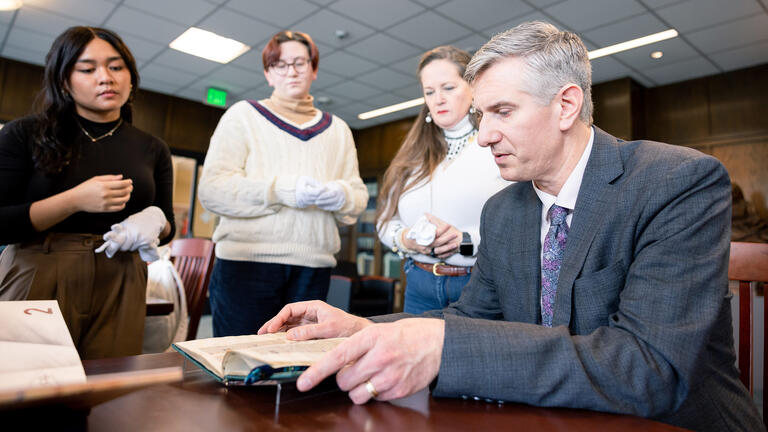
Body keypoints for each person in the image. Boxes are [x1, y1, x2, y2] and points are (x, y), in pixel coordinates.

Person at [258, 21, 764, 431]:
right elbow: (471, 319)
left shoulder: (676, 182)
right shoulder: (504, 210)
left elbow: (648, 369)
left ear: (566, 105)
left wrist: (443, 350)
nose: (484, 137)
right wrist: (364, 328)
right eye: (480, 116)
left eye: (502, 111)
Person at [0, 26, 175, 359]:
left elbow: (167, 226)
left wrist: (155, 221)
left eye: (116, 66)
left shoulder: (152, 148)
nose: (105, 77)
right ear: (65, 80)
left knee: (107, 394)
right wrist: (74, 200)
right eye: (88, 68)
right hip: (40, 267)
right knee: (26, 387)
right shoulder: (23, 133)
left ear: (131, 77)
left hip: (123, 275)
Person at [198, 30, 368, 337]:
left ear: (314, 70)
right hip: (247, 264)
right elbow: (213, 190)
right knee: (239, 359)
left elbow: (357, 198)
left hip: (313, 267)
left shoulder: (339, 130)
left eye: (300, 63)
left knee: (299, 364)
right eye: (280, 64)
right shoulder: (242, 116)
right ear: (268, 73)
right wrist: (281, 191)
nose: (291, 71)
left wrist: (340, 196)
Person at [376, 46, 508, 314]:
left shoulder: (498, 144)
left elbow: (524, 222)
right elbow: (384, 222)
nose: (438, 99)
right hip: (419, 282)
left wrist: (468, 241)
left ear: (472, 87)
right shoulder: (412, 153)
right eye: (429, 92)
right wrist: (405, 240)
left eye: (448, 87)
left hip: (478, 285)